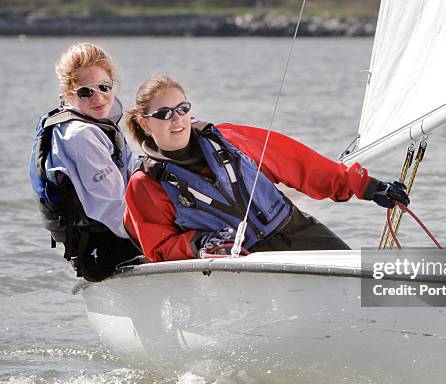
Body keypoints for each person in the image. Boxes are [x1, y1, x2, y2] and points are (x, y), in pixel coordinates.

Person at [124, 74, 409, 262]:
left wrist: (367, 187)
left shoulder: (230, 140)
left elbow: (301, 164)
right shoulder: (145, 184)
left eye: (182, 109)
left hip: (297, 231)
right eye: (164, 114)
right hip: (244, 261)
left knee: (361, 286)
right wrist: (198, 244)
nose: (177, 119)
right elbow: (159, 247)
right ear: (145, 123)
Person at [29, 43, 141, 281]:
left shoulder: (93, 122)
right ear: (69, 92)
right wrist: (164, 237)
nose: (99, 97)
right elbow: (113, 211)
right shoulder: (81, 136)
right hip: (105, 252)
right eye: (86, 92)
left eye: (104, 87)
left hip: (105, 241)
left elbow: (133, 175)